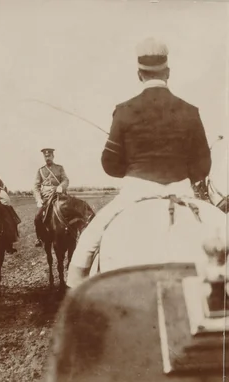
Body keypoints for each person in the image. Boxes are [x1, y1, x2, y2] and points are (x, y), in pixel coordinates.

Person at [67, 38, 213, 287]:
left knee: (85, 250)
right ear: (168, 72)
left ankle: (75, 294)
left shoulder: (124, 110)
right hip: (182, 191)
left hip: (135, 193)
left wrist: (130, 165)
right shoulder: (190, 111)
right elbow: (203, 166)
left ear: (139, 74)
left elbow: (109, 164)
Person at [32, 148, 70, 247]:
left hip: (59, 195)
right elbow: (36, 186)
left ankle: (73, 234)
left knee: (71, 211)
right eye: (45, 156)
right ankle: (39, 238)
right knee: (37, 217)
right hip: (46, 197)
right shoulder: (40, 170)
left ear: (53, 156)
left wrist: (61, 187)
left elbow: (66, 180)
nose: (47, 157)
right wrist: (39, 199)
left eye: (49, 156)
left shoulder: (59, 168)